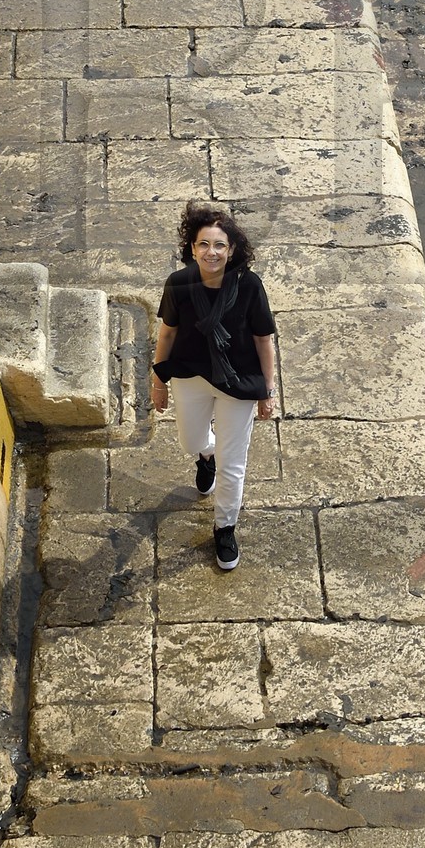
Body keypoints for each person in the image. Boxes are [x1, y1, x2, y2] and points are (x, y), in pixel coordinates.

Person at [150, 200, 278, 571]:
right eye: (204, 244)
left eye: (220, 245)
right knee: (191, 441)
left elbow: (263, 340)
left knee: (233, 463)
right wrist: (158, 381)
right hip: (191, 374)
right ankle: (206, 456)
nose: (212, 252)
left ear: (232, 249)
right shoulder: (179, 284)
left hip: (238, 381)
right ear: (192, 248)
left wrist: (267, 392)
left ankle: (225, 527)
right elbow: (168, 333)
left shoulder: (250, 286)